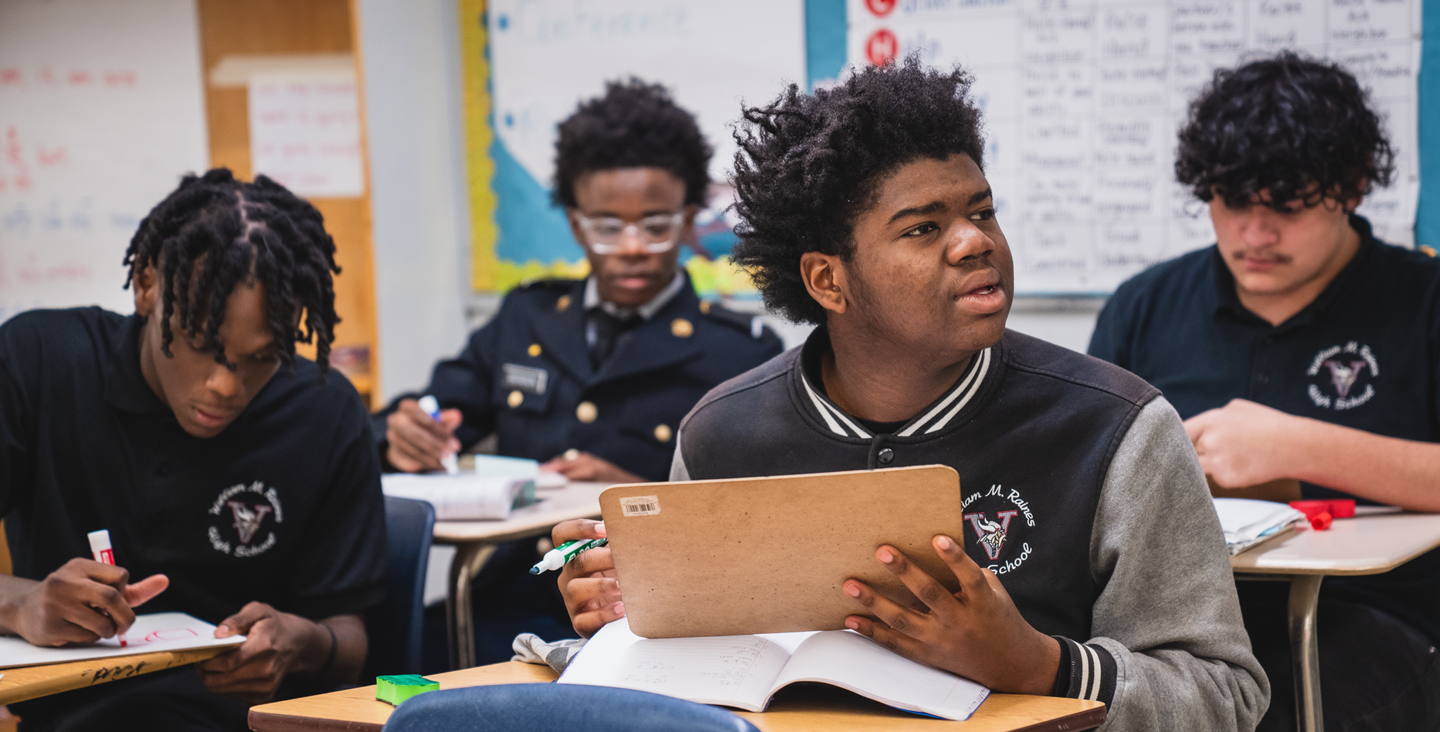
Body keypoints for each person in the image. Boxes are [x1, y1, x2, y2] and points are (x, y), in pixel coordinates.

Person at [552, 58, 1268, 730]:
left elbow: (1226, 696)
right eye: (924, 228)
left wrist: (1039, 665)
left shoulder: (1117, 429)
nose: (973, 242)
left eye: (982, 212)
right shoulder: (722, 433)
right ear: (828, 281)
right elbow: (681, 681)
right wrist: (624, 616)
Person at [1088, 52, 1440, 731]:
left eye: (1287, 207)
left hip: (1379, 620)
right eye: (1231, 203)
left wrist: (1296, 446)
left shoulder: (1422, 302)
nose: (1255, 235)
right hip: (1179, 624)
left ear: (1354, 186)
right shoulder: (1145, 306)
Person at [373, 79, 783, 663]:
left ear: (690, 217)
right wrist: (407, 431)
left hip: (650, 619)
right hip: (506, 603)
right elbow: (437, 412)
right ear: (574, 224)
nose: (633, 247)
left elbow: (762, 526)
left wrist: (638, 501)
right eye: (607, 227)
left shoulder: (739, 352)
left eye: (657, 224)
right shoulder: (526, 317)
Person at [0, 169, 387, 731]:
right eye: (202, 345)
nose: (226, 387)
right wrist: (22, 605)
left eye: (262, 358)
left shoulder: (325, 413)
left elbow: (348, 640)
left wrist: (301, 644)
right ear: (147, 285)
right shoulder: (37, 362)